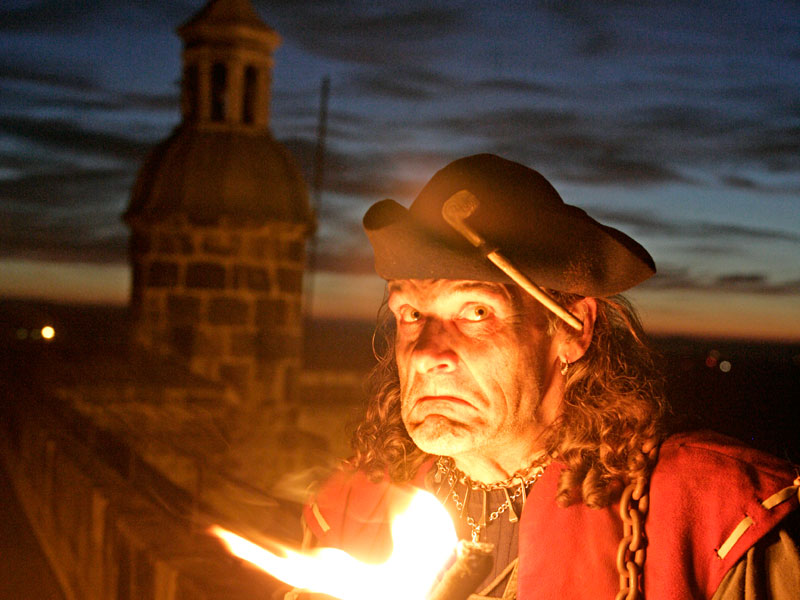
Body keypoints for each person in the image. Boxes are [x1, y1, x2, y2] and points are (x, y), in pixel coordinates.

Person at [301, 154, 800, 599]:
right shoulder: (347, 517)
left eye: (476, 312)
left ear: (573, 329)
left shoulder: (714, 518)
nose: (428, 353)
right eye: (411, 314)